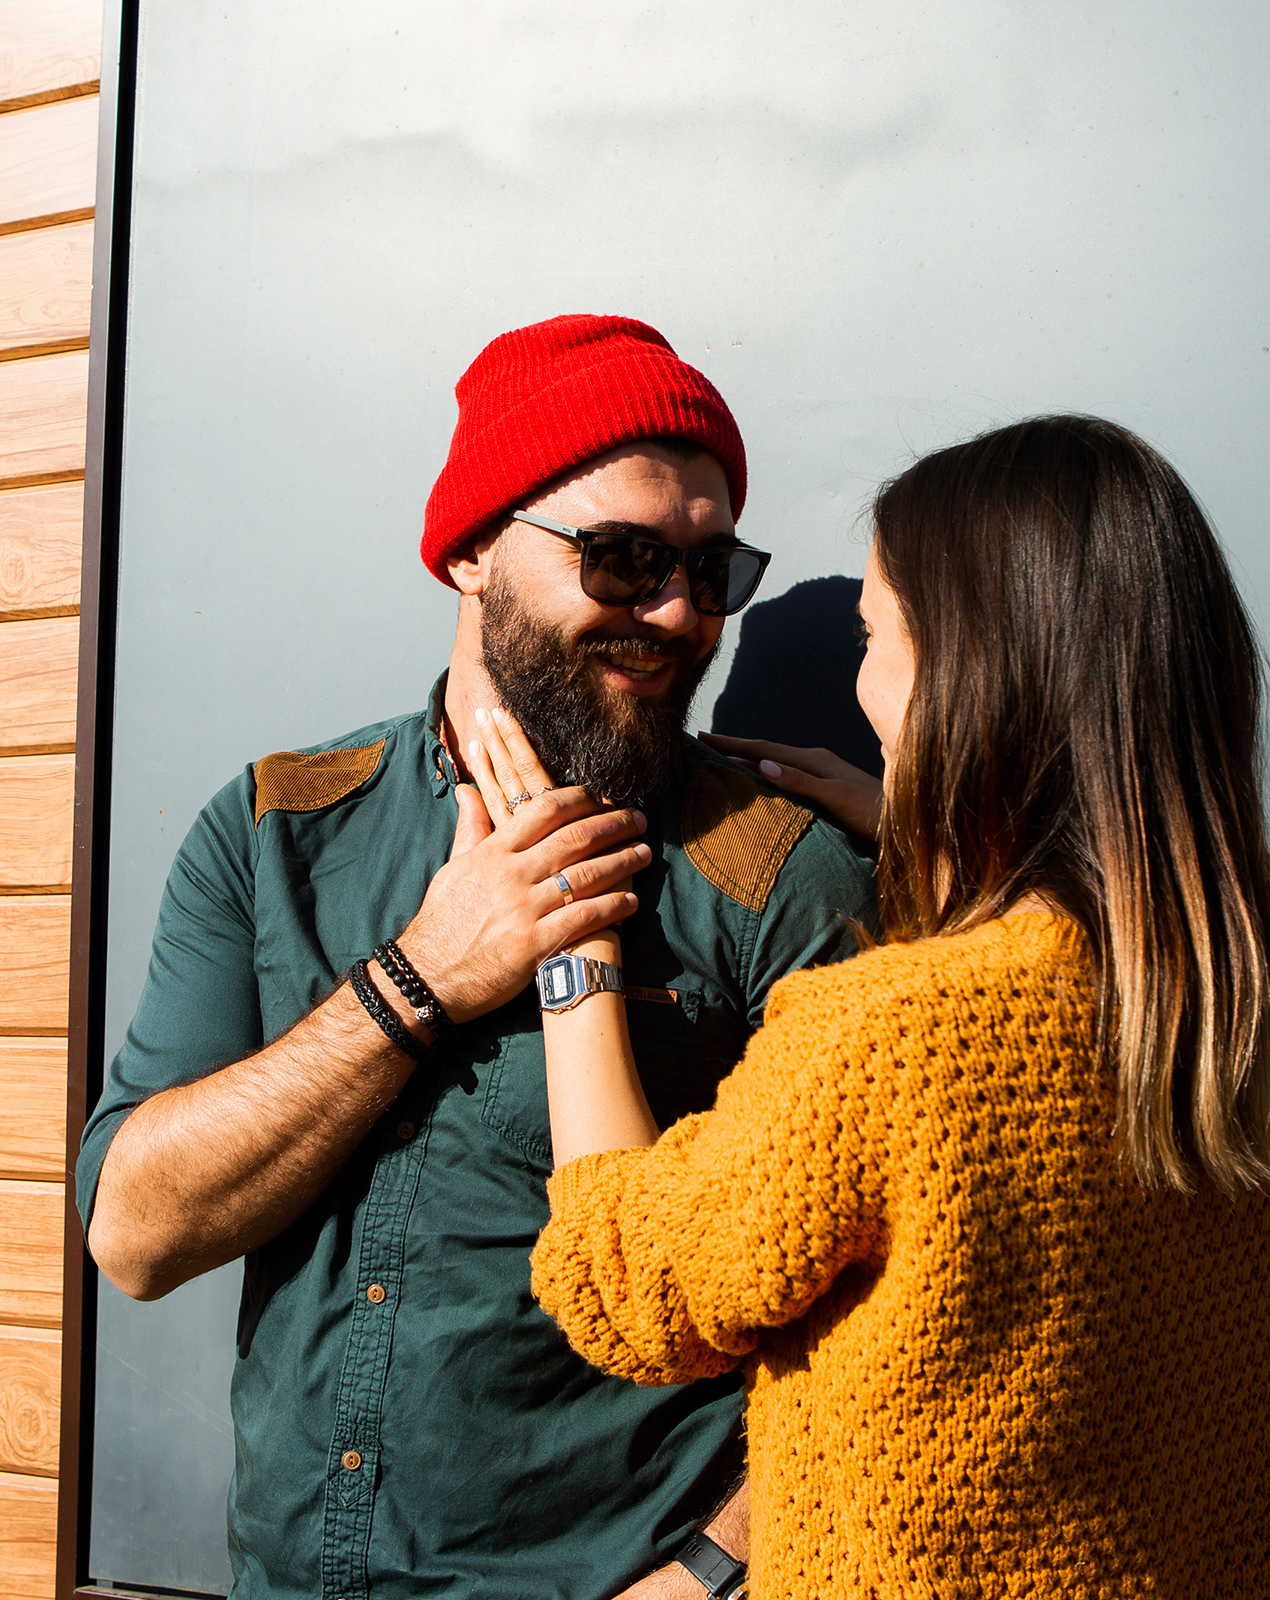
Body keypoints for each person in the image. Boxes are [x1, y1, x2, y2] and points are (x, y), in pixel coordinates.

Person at [77, 314, 878, 1600]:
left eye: (710, 567)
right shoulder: (277, 829)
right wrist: (418, 981)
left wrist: (712, 1575)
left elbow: (908, 1319)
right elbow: (135, 1231)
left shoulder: (779, 878)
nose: (677, 613)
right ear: (470, 551)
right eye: (620, 560)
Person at [501, 414, 1270, 1598]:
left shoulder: (892, 1038)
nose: (863, 683)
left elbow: (631, 1287)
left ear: (966, 674)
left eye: (875, 634)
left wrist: (572, 945)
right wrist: (940, 827)